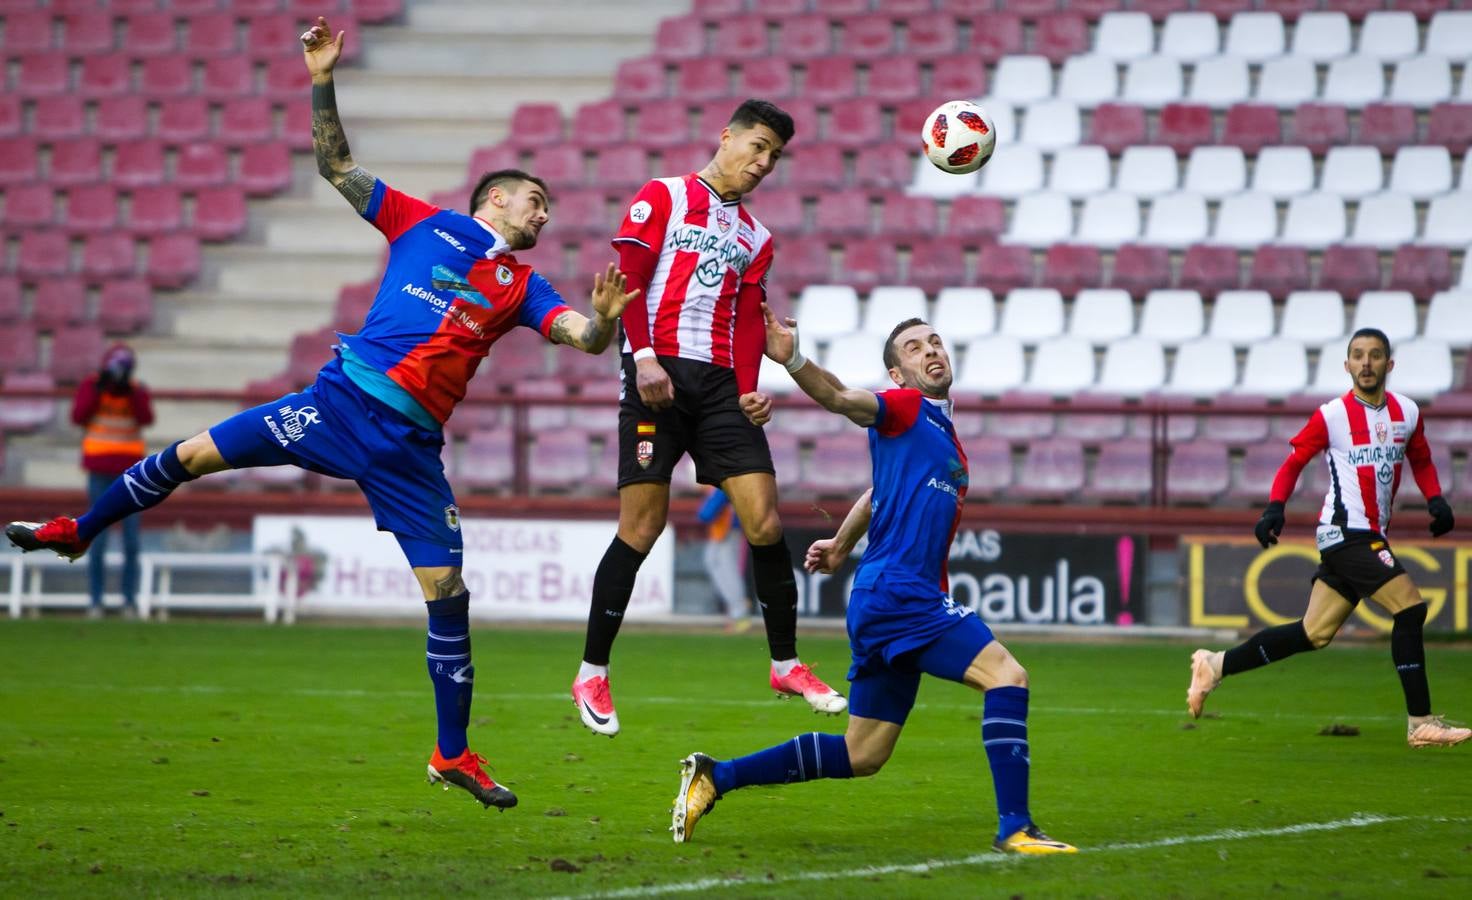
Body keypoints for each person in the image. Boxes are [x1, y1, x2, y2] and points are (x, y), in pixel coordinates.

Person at [6, 17, 641, 810]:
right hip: (336, 406)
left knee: (449, 591)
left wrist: (610, 320)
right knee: (193, 454)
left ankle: (453, 755)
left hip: (409, 449)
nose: (544, 215)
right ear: (496, 198)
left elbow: (584, 339)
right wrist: (320, 78)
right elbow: (335, 163)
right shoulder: (425, 221)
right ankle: (79, 531)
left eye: (547, 208)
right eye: (535, 201)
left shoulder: (525, 287)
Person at [670, 311, 1076, 854]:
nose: (931, 351)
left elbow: (876, 492)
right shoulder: (904, 408)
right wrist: (790, 357)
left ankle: (716, 776)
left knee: (863, 755)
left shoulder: (940, 434)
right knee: (1008, 677)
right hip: (901, 594)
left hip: (885, 597)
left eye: (935, 341)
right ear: (898, 375)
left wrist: (840, 543)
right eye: (914, 348)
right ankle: (1016, 827)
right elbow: (840, 398)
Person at [571, 99, 844, 738]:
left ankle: (786, 662)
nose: (763, 162)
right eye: (756, 146)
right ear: (727, 137)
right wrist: (640, 360)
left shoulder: (758, 237)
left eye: (774, 155)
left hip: (721, 387)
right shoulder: (661, 196)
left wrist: (750, 390)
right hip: (657, 372)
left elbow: (751, 320)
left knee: (766, 519)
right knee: (642, 527)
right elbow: (628, 282)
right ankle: (592, 671)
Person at [1187, 328, 1469, 749]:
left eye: (1375, 355)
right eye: (1358, 355)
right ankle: (1420, 721)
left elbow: (1422, 459)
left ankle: (1215, 665)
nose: (1366, 363)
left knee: (1313, 633)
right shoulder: (1332, 415)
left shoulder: (1407, 413)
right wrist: (1274, 507)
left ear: (1388, 364)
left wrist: (1436, 500)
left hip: (1367, 534)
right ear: (1347, 365)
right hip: (1347, 534)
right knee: (1410, 609)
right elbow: (1294, 461)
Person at [72, 343, 154, 619]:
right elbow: (78, 415)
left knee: (131, 541)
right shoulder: (92, 385)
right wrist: (99, 391)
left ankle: (128, 601)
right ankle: (96, 600)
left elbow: (146, 418)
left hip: (130, 473)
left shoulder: (136, 390)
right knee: (97, 537)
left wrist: (130, 392)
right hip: (100, 471)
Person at [696, 487, 753, 631]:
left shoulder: (723, 483)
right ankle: (736, 609)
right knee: (713, 562)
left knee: (728, 572)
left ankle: (739, 614)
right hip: (723, 532)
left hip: (727, 532)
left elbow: (706, 513)